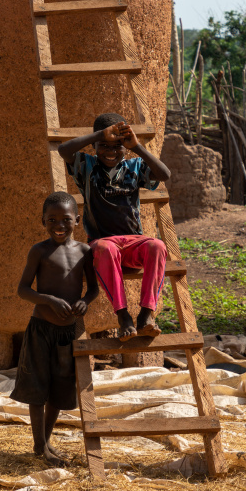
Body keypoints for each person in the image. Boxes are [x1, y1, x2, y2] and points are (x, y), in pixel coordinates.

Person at [58, 112, 171, 343]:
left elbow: (164, 174)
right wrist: (99, 134)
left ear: (125, 147)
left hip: (132, 242)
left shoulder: (135, 166)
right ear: (95, 145)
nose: (111, 151)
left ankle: (146, 315)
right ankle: (123, 316)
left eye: (117, 146)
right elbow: (63, 151)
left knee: (158, 246)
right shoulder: (86, 166)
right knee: (105, 248)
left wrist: (137, 147)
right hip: (103, 244)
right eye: (104, 146)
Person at [10, 191, 98, 466]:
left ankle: (45, 443)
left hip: (68, 333)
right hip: (41, 328)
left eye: (66, 220)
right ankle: (40, 446)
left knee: (60, 389)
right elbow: (23, 289)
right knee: (36, 388)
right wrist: (47, 299)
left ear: (77, 220)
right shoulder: (39, 251)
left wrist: (84, 301)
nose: (59, 226)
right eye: (52, 220)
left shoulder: (85, 252)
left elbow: (93, 288)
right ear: (43, 222)